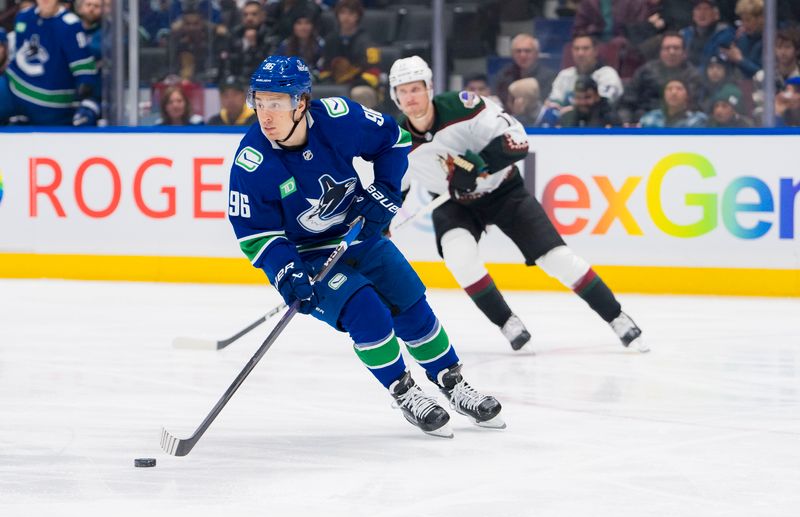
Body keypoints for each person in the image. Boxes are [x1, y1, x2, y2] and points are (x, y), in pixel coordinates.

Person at [227, 55, 504, 437]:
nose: (265, 115)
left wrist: (385, 192)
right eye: (259, 103)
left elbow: (395, 140)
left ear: (301, 102)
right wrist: (285, 271)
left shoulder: (339, 119)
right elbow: (255, 233)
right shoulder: (252, 161)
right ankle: (404, 391)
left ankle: (452, 382)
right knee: (366, 310)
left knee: (410, 303)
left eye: (276, 103)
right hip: (307, 256)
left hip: (359, 232)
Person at [389, 56, 647, 353]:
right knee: (459, 258)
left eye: (416, 89)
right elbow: (396, 186)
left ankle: (617, 317)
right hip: (454, 203)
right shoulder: (398, 139)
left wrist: (481, 164)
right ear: (395, 96)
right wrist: (381, 223)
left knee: (557, 258)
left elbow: (517, 140)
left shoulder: (464, 107)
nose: (410, 98)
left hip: (503, 191)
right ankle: (507, 322)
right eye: (403, 91)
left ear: (429, 88)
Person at [0, 0, 100, 125]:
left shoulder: (70, 25)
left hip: (50, 102)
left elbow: (84, 69)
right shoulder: (23, 16)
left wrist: (87, 97)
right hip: (14, 88)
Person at [619, 32, 703, 124]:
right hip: (643, 124)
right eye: (667, 48)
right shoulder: (646, 71)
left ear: (684, 53)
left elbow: (695, 106)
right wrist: (626, 123)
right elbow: (626, 103)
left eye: (676, 48)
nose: (672, 52)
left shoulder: (693, 76)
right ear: (660, 52)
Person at [546, 34, 624, 109]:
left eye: (585, 48)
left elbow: (604, 104)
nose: (580, 53)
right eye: (576, 49)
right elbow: (553, 104)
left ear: (595, 51)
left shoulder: (608, 74)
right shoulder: (564, 75)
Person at [494, 34, 556, 110]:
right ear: (512, 54)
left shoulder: (549, 76)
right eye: (518, 51)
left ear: (536, 54)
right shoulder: (504, 75)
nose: (523, 55)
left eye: (527, 51)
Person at [679, 0, 736, 68]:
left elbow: (716, 59)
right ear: (693, 15)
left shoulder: (725, 33)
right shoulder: (684, 34)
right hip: (687, 75)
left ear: (715, 14)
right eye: (698, 8)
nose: (702, 13)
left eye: (706, 9)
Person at [639, 77, 708, 127]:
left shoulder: (697, 120)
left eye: (679, 89)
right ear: (663, 95)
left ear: (687, 95)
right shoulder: (650, 118)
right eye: (669, 89)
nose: (674, 93)